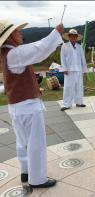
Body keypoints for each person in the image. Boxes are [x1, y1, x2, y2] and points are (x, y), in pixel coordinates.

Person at [0, 20, 64, 188]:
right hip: (27, 108)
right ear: (9, 37)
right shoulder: (15, 54)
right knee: (36, 143)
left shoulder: (7, 54)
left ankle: (26, 171)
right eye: (17, 32)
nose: (21, 34)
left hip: (17, 107)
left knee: (22, 142)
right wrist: (56, 33)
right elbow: (40, 49)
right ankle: (37, 179)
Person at [60, 29, 87, 111]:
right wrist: (64, 68)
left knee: (79, 86)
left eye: (75, 36)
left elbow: (83, 58)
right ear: (69, 37)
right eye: (72, 36)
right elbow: (62, 58)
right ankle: (66, 104)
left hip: (78, 69)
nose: (73, 37)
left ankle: (79, 102)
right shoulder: (64, 46)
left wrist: (84, 70)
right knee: (68, 87)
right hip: (69, 70)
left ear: (76, 37)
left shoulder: (79, 47)